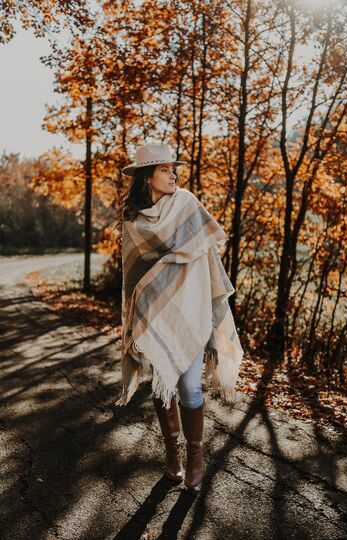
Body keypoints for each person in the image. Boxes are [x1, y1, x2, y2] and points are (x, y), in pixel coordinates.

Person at [115, 143, 244, 492]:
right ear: (147, 177)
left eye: (174, 168)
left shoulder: (187, 204)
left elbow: (206, 250)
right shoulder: (134, 220)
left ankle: (195, 456)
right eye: (165, 169)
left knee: (188, 386)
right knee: (163, 382)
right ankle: (172, 455)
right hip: (155, 313)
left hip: (191, 305)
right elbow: (135, 275)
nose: (173, 174)